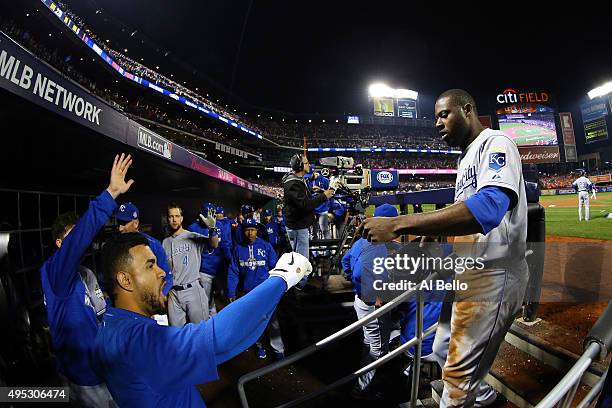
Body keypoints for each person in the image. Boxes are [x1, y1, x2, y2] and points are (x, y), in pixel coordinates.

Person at [358, 89, 528, 408]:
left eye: (444, 114)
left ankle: (463, 398)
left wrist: (399, 224)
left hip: (495, 274)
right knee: (441, 347)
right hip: (468, 271)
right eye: (435, 116)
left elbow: (490, 207)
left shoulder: (496, 143)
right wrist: (432, 236)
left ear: (467, 110)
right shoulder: (465, 157)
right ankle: (482, 398)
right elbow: (462, 219)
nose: (437, 122)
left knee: (456, 382)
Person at [94, 232, 312, 407]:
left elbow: (230, 342)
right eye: (150, 265)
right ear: (125, 280)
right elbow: (219, 337)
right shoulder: (135, 341)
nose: (162, 272)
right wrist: (282, 277)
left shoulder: (112, 325)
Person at [40, 153, 133, 407]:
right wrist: (110, 193)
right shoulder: (54, 272)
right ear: (60, 243)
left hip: (103, 366)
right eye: (74, 235)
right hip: (81, 378)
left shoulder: (85, 272)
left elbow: (102, 314)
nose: (82, 237)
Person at [341, 204, 402, 400]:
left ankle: (364, 377)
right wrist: (377, 297)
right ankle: (361, 390)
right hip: (372, 305)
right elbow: (360, 272)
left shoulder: (362, 242)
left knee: (370, 341)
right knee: (378, 351)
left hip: (361, 302)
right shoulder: (377, 247)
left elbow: (346, 262)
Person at [227, 218, 285, 359]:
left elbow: (276, 268)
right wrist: (231, 291)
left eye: (252, 230)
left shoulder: (265, 246)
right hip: (249, 293)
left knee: (272, 322)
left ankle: (278, 350)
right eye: (247, 230)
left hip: (265, 291)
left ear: (257, 230)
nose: (250, 233)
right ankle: (260, 346)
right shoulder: (238, 249)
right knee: (253, 323)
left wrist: (277, 288)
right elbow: (233, 272)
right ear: (243, 231)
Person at [163, 203, 216, 326]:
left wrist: (212, 229)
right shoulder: (165, 242)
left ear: (182, 218)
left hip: (192, 290)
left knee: (200, 331)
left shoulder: (192, 236)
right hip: (173, 293)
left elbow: (213, 244)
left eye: (177, 216)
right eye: (171, 216)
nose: (174, 219)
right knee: (176, 334)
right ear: (167, 219)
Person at [282, 154, 334, 262]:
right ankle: (302, 279)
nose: (309, 165)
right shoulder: (293, 184)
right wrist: (324, 196)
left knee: (300, 258)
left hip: (298, 225)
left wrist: (310, 190)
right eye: (306, 163)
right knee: (301, 261)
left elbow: (300, 196)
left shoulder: (297, 179)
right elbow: (305, 205)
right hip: (298, 227)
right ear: (300, 166)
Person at [115, 202, 172, 296]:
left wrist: (159, 298)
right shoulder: (116, 245)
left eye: (124, 223)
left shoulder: (153, 244)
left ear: (136, 223)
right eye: (119, 223)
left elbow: (168, 277)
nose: (120, 228)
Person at [187, 202, 221, 320]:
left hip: (219, 268)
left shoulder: (218, 225)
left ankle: (214, 322)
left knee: (212, 299)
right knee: (205, 301)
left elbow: (222, 245)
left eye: (213, 213)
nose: (210, 216)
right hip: (204, 270)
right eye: (208, 213)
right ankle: (208, 326)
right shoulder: (193, 228)